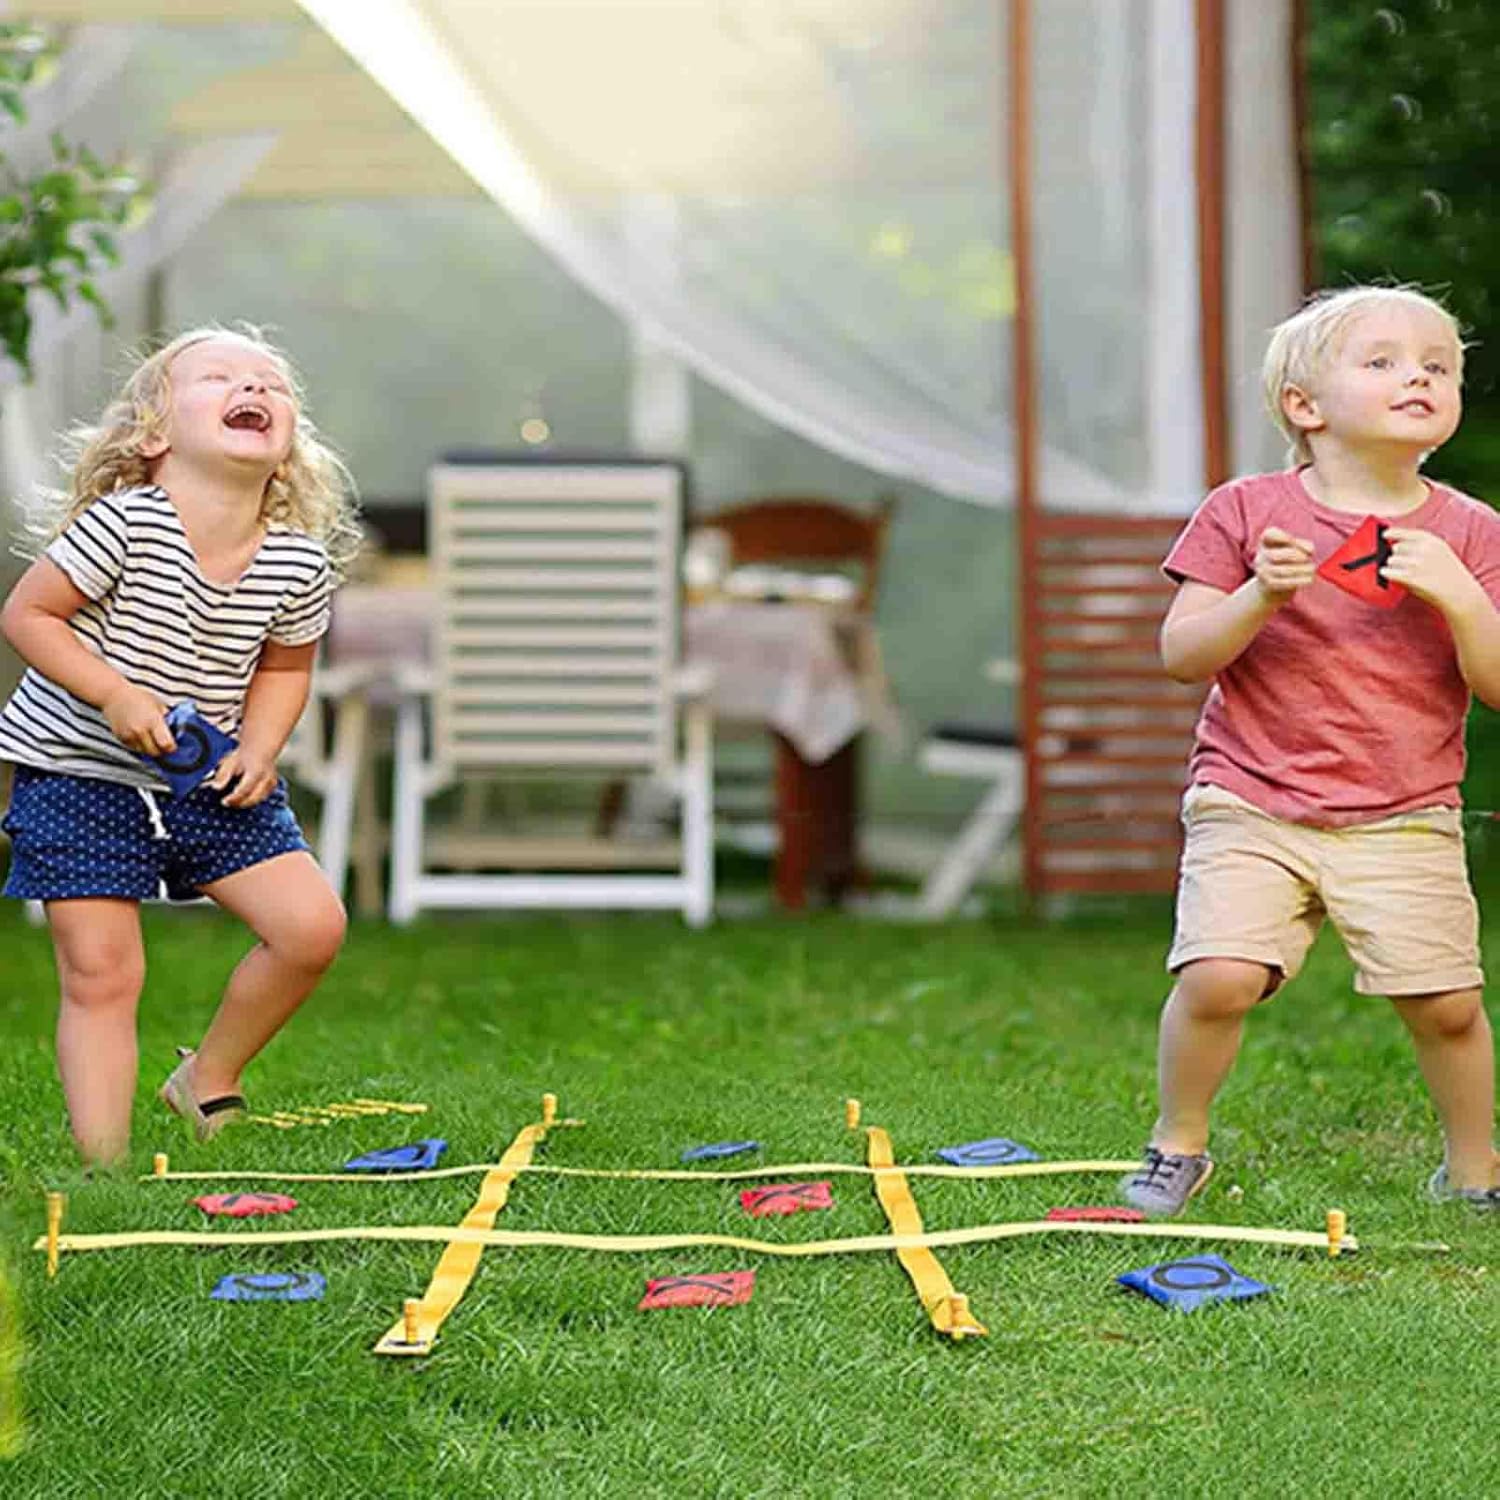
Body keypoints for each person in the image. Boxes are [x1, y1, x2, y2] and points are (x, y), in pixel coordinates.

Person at [1122, 284, 1500, 1217]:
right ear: (1305, 405)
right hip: (1250, 797)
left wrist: (1461, 595)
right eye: (1382, 362)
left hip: (1403, 811)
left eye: (1438, 366)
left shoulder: (1473, 532)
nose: (1419, 376)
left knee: (1447, 1005)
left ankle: (1475, 1171)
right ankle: (1177, 1145)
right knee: (1218, 977)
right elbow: (1182, 656)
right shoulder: (1244, 511)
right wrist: (1259, 596)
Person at [0, 325, 362, 1168]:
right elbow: (28, 614)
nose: (254, 389)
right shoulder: (123, 525)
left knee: (310, 928)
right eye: (219, 378)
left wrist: (262, 747)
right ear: (153, 435)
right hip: (78, 772)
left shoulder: (296, 563)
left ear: (289, 445)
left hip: (209, 773)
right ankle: (105, 1170)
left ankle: (207, 1076)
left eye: (272, 384)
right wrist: (114, 693)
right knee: (102, 971)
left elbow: (285, 666)